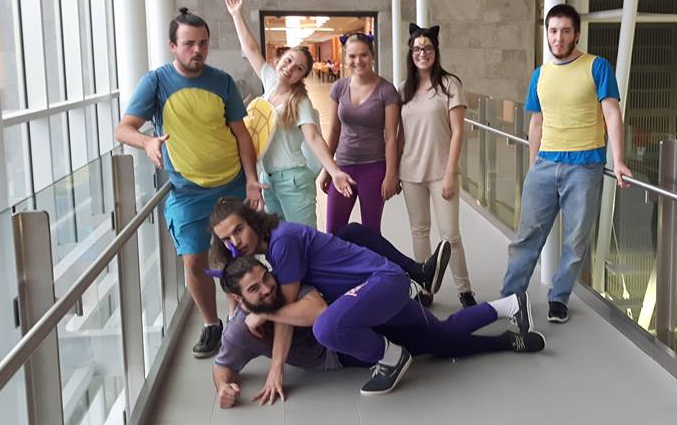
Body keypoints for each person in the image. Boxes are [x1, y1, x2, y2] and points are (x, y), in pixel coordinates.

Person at [209, 198, 535, 396]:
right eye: (227, 239)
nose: (235, 242)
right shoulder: (275, 248)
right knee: (441, 336)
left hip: (381, 284)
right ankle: (510, 307)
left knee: (326, 327)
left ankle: (391, 357)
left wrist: (275, 365)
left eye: (238, 230)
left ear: (252, 221)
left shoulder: (282, 243)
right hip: (372, 294)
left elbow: (286, 310)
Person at [115, 8, 263, 359]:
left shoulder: (222, 81)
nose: (198, 50)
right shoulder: (156, 82)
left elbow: (242, 134)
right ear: (173, 46)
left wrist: (252, 180)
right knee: (194, 261)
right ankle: (212, 323)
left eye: (203, 43)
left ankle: (237, 319)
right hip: (188, 191)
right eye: (189, 44)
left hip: (231, 183)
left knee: (235, 255)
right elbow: (123, 129)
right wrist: (147, 142)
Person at [213, 256, 545, 408]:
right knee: (438, 339)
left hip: (355, 324)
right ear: (238, 299)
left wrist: (265, 312)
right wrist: (224, 388)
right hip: (341, 355)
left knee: (439, 336)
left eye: (266, 278)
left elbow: (318, 312)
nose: (267, 289)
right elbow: (222, 366)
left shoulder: (289, 288)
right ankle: (506, 321)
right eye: (254, 289)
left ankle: (506, 316)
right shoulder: (239, 332)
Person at [500, 3, 633, 324]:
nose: (558, 38)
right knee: (526, 238)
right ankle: (510, 298)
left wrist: (618, 160)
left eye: (565, 31)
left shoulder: (597, 66)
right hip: (545, 165)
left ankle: (558, 297)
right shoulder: (540, 75)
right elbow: (536, 123)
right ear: (547, 33)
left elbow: (612, 113)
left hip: (584, 167)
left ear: (577, 35)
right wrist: (533, 165)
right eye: (553, 31)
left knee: (575, 240)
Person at [224, 0, 356, 227]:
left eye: (298, 68)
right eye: (288, 61)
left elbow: (313, 138)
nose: (290, 68)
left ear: (302, 76)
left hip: (294, 181)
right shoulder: (270, 80)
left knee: (304, 239)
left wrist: (334, 171)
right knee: (278, 237)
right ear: (279, 59)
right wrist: (237, 15)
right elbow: (251, 50)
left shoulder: (300, 101)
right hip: (268, 179)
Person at [398, 23, 475, 308]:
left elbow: (458, 131)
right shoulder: (403, 89)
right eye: (417, 48)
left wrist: (451, 174)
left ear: (436, 51)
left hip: (442, 172)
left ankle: (465, 290)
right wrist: (393, 172)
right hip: (410, 172)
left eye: (428, 48)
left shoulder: (450, 85)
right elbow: (398, 135)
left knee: (450, 235)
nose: (422, 53)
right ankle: (425, 288)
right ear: (410, 53)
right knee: (419, 231)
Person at [318, 33, 401, 234]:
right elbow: (334, 131)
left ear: (372, 56)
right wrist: (327, 169)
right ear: (345, 57)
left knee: (371, 232)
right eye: (352, 56)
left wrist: (391, 174)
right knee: (333, 231)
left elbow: (391, 136)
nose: (358, 61)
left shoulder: (386, 90)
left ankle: (372, 258)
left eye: (363, 55)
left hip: (373, 168)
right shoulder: (339, 87)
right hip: (342, 167)